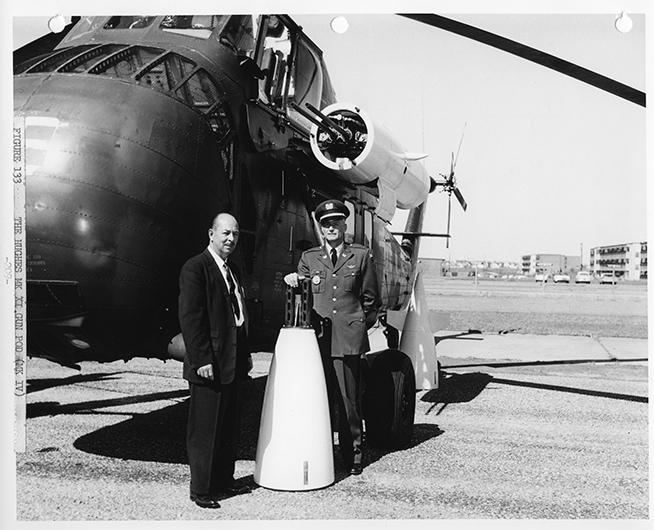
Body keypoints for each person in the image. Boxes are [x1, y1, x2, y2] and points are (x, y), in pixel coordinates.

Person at [284, 199, 380, 475]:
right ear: (321, 228)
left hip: (348, 340)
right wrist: (292, 279)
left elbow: (371, 299)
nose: (331, 227)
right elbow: (301, 294)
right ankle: (322, 452)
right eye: (326, 224)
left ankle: (353, 454)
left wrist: (356, 327)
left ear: (344, 225)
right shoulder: (310, 258)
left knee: (349, 400)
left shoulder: (360, 256)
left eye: (336, 222)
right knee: (318, 398)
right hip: (317, 341)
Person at [178, 213, 252, 509]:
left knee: (227, 428)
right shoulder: (196, 268)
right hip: (209, 364)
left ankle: (223, 480)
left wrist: (245, 355)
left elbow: (238, 317)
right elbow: (191, 318)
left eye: (235, 234)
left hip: (232, 362)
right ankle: (201, 489)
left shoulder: (232, 269)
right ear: (211, 234)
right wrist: (202, 359)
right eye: (225, 233)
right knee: (205, 430)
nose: (231, 239)